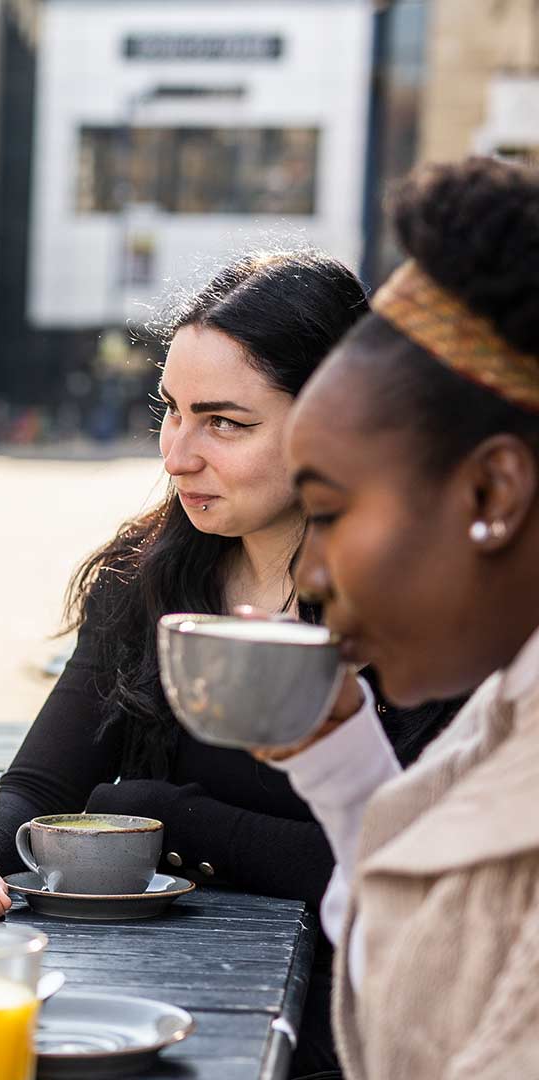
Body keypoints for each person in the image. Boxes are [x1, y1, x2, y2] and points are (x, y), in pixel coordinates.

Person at [0, 249, 462, 922]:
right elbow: (38, 785)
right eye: (172, 409)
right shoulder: (139, 577)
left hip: (360, 1002)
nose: (176, 454)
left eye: (224, 422)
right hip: (171, 980)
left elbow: (419, 870)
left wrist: (165, 817)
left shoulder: (444, 613)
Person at [267, 156, 539, 1079]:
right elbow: (422, 963)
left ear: (493, 489)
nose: (309, 570)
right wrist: (338, 756)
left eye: (331, 511)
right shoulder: (512, 702)